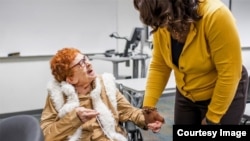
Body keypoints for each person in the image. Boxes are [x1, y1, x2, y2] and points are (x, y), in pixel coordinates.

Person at [133, 0, 249, 125]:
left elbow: (229, 73)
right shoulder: (162, 21)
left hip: (225, 90)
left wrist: (212, 119)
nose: (161, 27)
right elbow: (159, 66)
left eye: (162, 18)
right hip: (187, 93)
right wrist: (148, 107)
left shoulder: (216, 14)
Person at [40, 47, 165, 141]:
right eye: (81, 63)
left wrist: (146, 119)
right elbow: (48, 134)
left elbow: (128, 112)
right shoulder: (58, 96)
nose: (88, 63)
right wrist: (74, 118)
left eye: (85, 58)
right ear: (71, 79)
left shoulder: (105, 85)